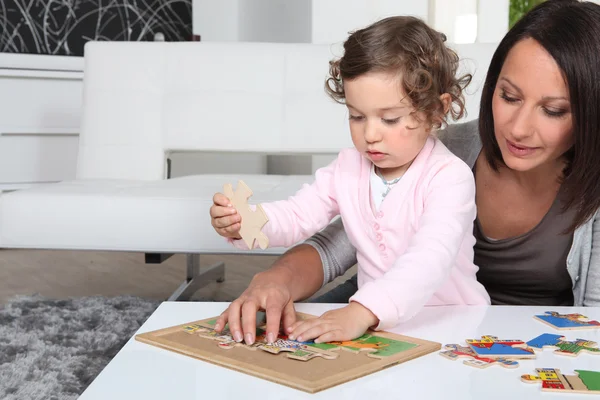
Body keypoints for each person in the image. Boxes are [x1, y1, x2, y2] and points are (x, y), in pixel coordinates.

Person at [214, 0, 600, 347]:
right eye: (509, 96)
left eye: (553, 110)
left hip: (462, 324)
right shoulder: (394, 152)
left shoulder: (444, 172)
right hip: (379, 308)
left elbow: (429, 258)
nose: (518, 128)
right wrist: (256, 237)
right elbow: (323, 230)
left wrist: (364, 311)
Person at [210, 15, 491, 344]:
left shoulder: (449, 177)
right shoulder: (347, 167)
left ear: (436, 111)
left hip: (453, 327)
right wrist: (247, 221)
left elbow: (429, 259)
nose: (370, 134)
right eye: (357, 116)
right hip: (377, 329)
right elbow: (300, 212)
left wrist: (361, 310)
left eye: (389, 119)